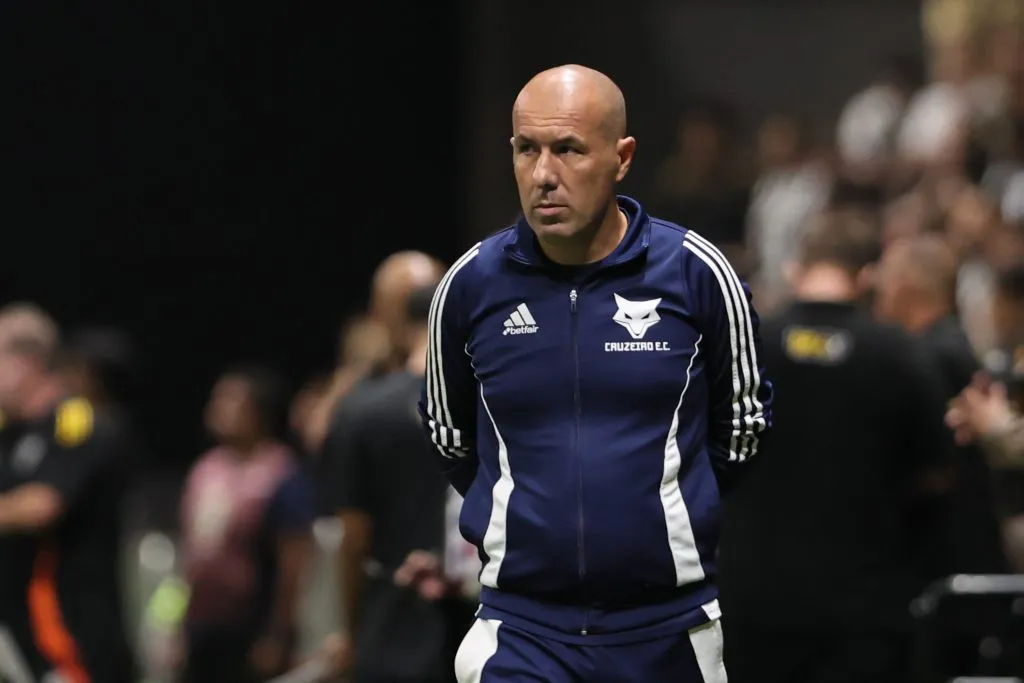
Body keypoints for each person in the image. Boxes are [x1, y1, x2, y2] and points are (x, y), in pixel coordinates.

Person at [419, 64, 773, 683]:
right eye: (527, 150)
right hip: (521, 632)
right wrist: (527, 522)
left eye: (568, 150)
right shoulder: (469, 286)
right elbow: (451, 439)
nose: (544, 174)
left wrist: (664, 512)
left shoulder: (697, 274)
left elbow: (741, 430)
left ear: (622, 156)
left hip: (669, 629)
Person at [717, 212, 951, 683]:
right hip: (862, 609)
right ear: (867, 276)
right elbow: (937, 478)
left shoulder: (746, 345)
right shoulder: (902, 356)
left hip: (752, 602)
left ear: (795, 269)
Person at [326, 284, 477, 683]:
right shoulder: (489, 402)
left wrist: (349, 629)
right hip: (483, 635)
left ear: (401, 322)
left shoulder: (361, 409)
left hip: (390, 628)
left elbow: (353, 536)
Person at [0, 303, 136, 683]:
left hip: (69, 634)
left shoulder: (77, 421)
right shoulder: (8, 431)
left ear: (28, 361)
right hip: (16, 631)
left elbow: (43, 505)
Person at [178, 366, 315, 683]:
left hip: (253, 628)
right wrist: (177, 625)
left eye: (230, 401)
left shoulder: (280, 474)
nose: (217, 408)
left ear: (259, 413)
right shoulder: (206, 469)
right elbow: (193, 555)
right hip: (203, 625)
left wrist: (277, 636)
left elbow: (293, 564)